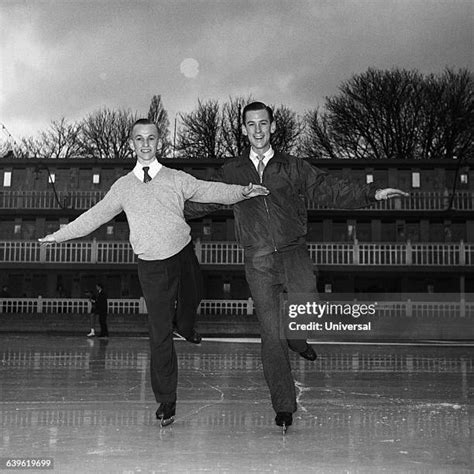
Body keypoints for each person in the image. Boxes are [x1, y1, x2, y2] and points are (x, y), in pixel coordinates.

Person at [184, 101, 409, 432]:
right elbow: (205, 196)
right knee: (271, 334)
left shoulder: (292, 167)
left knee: (306, 306)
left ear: (273, 127)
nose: (258, 130)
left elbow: (327, 187)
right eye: (251, 125)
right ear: (243, 129)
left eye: (263, 123)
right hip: (258, 257)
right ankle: (284, 406)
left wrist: (371, 193)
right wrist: (167, 207)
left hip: (293, 252)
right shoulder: (232, 172)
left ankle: (299, 340)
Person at [38, 118, 269, 428]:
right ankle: (166, 400)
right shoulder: (123, 187)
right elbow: (94, 216)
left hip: (183, 254)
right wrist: (59, 235)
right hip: (151, 265)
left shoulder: (176, 178)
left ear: (159, 142)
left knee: (196, 295)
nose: (145, 143)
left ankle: (185, 325)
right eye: (139, 138)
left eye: (151, 138)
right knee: (159, 334)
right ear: (132, 143)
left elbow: (210, 189)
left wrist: (243, 191)